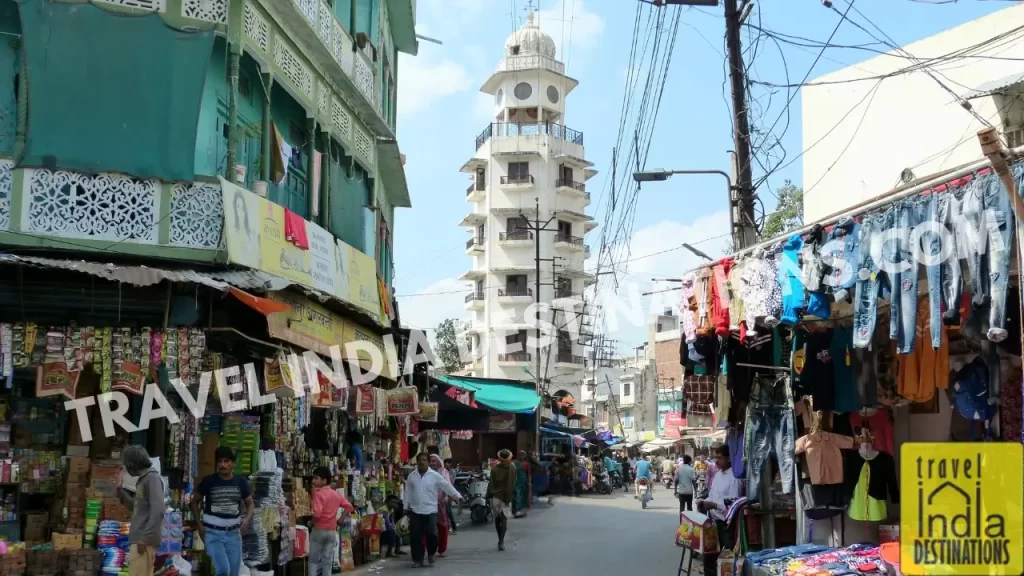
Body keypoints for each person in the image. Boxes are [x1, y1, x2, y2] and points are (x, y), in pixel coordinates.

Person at [191, 447, 254, 576]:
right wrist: (199, 525)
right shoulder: (208, 481)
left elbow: (250, 503)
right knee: (223, 570)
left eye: (226, 461)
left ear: (233, 463)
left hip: (233, 534)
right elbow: (193, 502)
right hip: (213, 534)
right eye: (220, 461)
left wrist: (246, 519)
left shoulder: (240, 482)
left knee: (234, 573)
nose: (223, 465)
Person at [404, 453, 463, 567]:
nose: (422, 462)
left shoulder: (434, 475)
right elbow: (408, 492)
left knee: (432, 534)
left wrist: (458, 496)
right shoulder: (412, 476)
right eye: (420, 460)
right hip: (416, 510)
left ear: (427, 462)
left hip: (430, 510)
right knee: (415, 536)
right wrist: (405, 507)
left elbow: (446, 486)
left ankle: (431, 553)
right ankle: (417, 559)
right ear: (417, 462)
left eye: (424, 460)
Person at [696, 446, 743, 576]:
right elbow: (712, 494)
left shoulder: (735, 476)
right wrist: (705, 502)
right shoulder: (717, 475)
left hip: (726, 524)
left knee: (727, 557)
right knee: (709, 555)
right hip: (713, 522)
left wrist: (715, 505)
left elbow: (734, 502)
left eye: (720, 458)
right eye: (715, 457)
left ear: (729, 459)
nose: (716, 461)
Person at [120, 446, 164, 576]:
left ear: (132, 464)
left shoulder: (152, 479)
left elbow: (159, 510)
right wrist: (119, 492)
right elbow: (138, 508)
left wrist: (144, 538)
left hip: (143, 540)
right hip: (140, 539)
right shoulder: (145, 479)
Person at [309, 467, 353, 576]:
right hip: (332, 531)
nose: (313, 481)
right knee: (327, 561)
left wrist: (311, 522)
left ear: (324, 481)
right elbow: (349, 506)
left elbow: (317, 514)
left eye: (316, 478)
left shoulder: (318, 495)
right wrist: (341, 519)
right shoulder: (335, 494)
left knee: (313, 560)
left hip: (319, 530)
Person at [486, 450, 517, 551]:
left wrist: (488, 496)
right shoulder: (512, 468)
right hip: (506, 496)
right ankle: (501, 541)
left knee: (497, 519)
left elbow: (491, 484)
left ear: (499, 458)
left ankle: (500, 539)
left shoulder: (494, 468)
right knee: (504, 519)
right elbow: (513, 483)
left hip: (495, 496)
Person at [512, 451, 531, 517]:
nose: (521, 456)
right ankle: (516, 510)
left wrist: (529, 482)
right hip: (516, 481)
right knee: (516, 495)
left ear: (524, 456)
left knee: (523, 496)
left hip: (524, 481)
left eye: (522, 455)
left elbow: (528, 474)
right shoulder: (515, 463)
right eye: (519, 455)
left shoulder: (527, 464)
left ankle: (521, 510)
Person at [443, 458, 459, 533]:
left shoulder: (452, 472)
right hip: (442, 493)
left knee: (449, 511)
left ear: (450, 464)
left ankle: (453, 526)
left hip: (449, 493)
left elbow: (450, 481)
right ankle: (447, 526)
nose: (446, 464)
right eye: (445, 463)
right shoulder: (442, 471)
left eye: (448, 463)